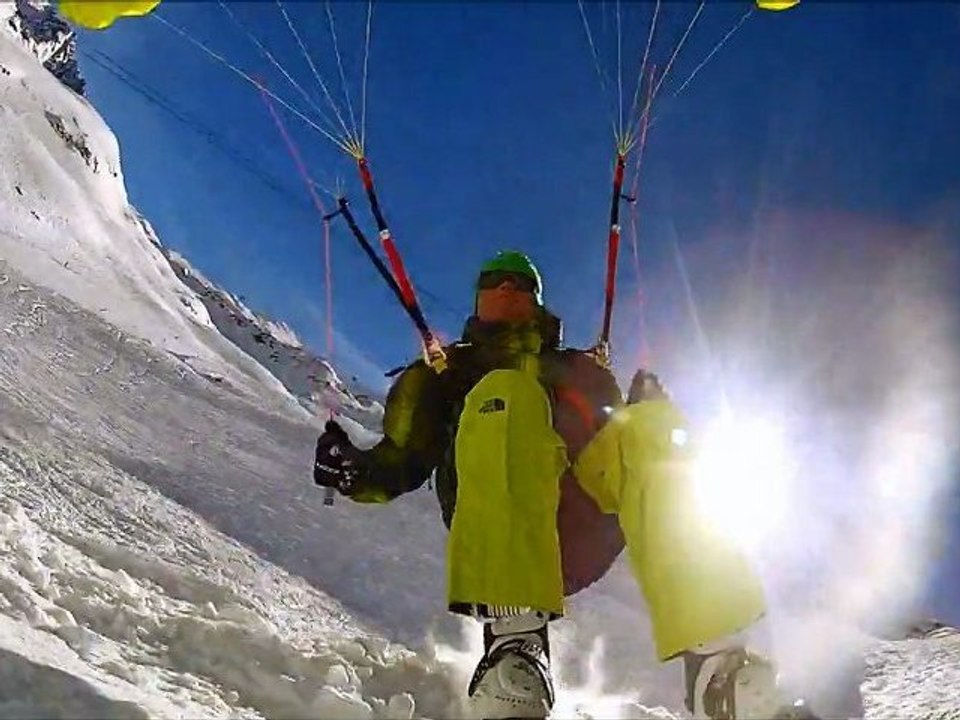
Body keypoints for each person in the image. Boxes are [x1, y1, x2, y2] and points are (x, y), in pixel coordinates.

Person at [313, 250, 810, 719]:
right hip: (498, 514)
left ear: (537, 299)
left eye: (521, 282)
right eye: (495, 280)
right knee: (505, 392)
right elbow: (403, 456)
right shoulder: (449, 372)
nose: (508, 286)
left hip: (579, 520)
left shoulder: (579, 370)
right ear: (478, 299)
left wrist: (640, 415)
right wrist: (358, 471)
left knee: (652, 426)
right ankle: (515, 644)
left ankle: (717, 670)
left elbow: (616, 445)